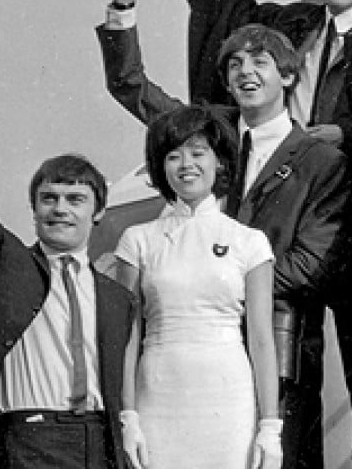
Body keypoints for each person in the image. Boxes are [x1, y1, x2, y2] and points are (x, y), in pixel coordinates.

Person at [160, 0, 352, 461]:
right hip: (285, 224)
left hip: (351, 236)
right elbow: (225, 15)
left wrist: (342, 136)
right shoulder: (295, 25)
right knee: (283, 381)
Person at [92, 0, 349, 469]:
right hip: (190, 366)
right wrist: (123, 6)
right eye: (235, 65)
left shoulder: (320, 159)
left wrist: (222, 278)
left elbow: (308, 265)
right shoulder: (208, 136)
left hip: (276, 355)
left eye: (259, 63)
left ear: (287, 74)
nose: (245, 73)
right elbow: (132, 87)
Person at [0, 23, 137, 469]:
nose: (61, 210)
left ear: (97, 211)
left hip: (101, 444)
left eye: (75, 199)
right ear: (33, 209)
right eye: (49, 199)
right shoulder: (7, 267)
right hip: (29, 442)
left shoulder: (118, 298)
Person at [113, 104, 281, 469]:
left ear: (219, 162)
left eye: (197, 153)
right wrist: (128, 417)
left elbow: (262, 339)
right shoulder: (137, 241)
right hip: (158, 394)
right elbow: (126, 335)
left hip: (228, 397)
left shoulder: (249, 242)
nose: (186, 164)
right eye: (173, 156)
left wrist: (270, 426)